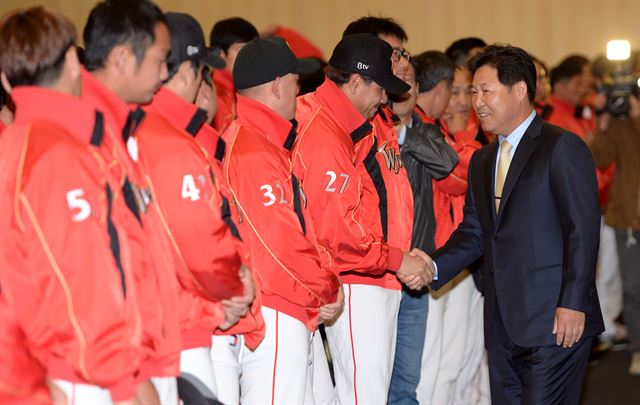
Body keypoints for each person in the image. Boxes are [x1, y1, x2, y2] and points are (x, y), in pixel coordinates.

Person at [426, 44, 604, 404]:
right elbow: (476, 232)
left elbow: (582, 232)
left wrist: (572, 304)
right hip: (502, 324)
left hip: (555, 322)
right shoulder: (482, 160)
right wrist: (431, 266)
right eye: (474, 92)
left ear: (520, 90)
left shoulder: (561, 147)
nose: (477, 102)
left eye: (486, 91)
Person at [0, 6, 148, 404]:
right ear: (71, 61)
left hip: (29, 368)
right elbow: (81, 277)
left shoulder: (9, 146)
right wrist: (121, 380)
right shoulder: (58, 153)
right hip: (77, 372)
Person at [293, 32, 432, 404]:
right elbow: (339, 231)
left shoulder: (339, 121)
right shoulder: (322, 130)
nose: (385, 99)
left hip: (365, 271)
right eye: (380, 89)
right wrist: (396, 258)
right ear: (355, 81)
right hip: (354, 275)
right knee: (364, 396)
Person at [146, 12, 265, 403]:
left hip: (170, 320)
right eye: (201, 74)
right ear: (184, 72)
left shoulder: (140, 128)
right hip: (184, 325)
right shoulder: (173, 140)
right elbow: (198, 235)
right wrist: (233, 290)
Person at [222, 36, 342, 404]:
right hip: (275, 309)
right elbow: (277, 244)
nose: (299, 90)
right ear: (276, 84)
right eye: (295, 80)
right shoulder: (251, 148)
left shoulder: (261, 141)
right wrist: (324, 287)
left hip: (286, 304)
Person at [82, 0, 184, 401]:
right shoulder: (83, 133)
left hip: (144, 347)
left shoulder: (119, 127)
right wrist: (127, 375)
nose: (164, 73)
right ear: (122, 57)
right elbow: (87, 267)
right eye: (161, 60)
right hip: (109, 364)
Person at [389, 60, 459, 404]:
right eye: (396, 79)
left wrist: (403, 133)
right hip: (381, 272)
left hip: (416, 271)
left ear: (417, 91)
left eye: (409, 80)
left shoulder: (425, 130)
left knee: (407, 380)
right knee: (373, 378)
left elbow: (447, 162)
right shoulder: (370, 129)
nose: (403, 85)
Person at [590, 94, 640, 375]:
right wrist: (604, 121)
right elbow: (600, 157)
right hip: (625, 219)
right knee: (632, 288)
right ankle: (638, 350)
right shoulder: (619, 123)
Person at [209, 17, 258, 133]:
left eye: (254, 51)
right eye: (242, 51)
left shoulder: (256, 90)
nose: (250, 58)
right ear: (220, 55)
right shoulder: (209, 94)